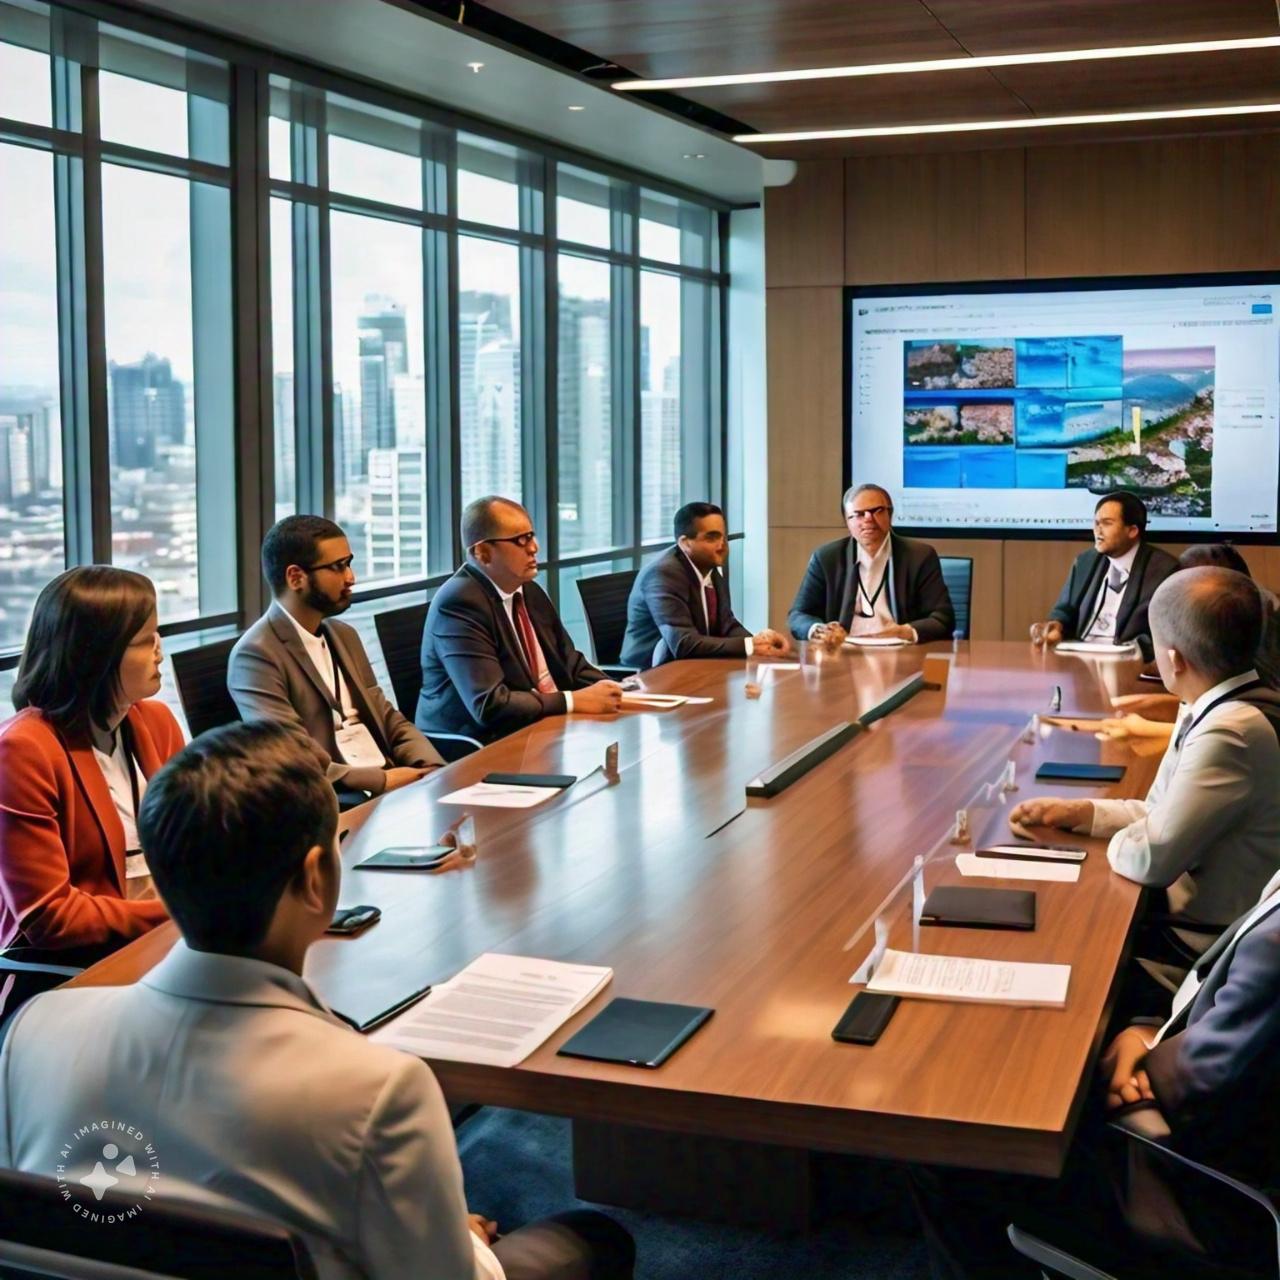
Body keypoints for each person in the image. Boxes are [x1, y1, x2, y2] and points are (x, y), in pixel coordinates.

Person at [0, 720, 635, 1280]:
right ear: (315, 877)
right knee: (594, 1237)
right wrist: (468, 1246)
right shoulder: (376, 1086)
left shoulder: (35, 1029)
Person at [908, 865, 1280, 1277]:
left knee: (950, 1145)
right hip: (1213, 1128)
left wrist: (1137, 1066)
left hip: (1191, 1194)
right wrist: (1145, 1032)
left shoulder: (1276, 946)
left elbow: (1200, 1088)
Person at [1012, 567, 1280, 948]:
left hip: (1201, 940)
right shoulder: (1215, 703)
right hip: (1188, 917)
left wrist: (1111, 843)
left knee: (1058, 929)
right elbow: (1160, 815)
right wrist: (1085, 814)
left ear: (1173, 659)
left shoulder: (1230, 731)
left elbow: (1152, 859)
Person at [0, 566, 179, 960]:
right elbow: (50, 915)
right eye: (146, 638)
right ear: (97, 655)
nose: (159, 650)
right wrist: (185, 915)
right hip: (77, 968)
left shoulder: (156, 721)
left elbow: (197, 841)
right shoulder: (23, 751)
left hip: (166, 946)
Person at [229, 515, 442, 802]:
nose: (350, 577)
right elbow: (293, 755)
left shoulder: (344, 635)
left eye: (349, 563)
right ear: (295, 577)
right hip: (329, 799)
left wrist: (429, 765)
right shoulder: (255, 655)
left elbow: (386, 715)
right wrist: (383, 781)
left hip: (384, 779)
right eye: (338, 567)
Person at [416, 496, 622, 743]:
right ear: (482, 552)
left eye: (532, 536)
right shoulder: (459, 604)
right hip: (477, 744)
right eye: (520, 540)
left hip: (537, 727)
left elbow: (570, 664)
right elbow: (489, 705)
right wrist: (572, 701)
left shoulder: (529, 590)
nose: (534, 547)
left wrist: (619, 691)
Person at [1097, 542, 1280, 747]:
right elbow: (1228, 697)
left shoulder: (1264, 639)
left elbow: (1255, 728)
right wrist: (1160, 704)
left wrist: (1150, 731)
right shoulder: (1251, 612)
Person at [620, 502, 791, 669]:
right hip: (651, 673)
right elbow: (683, 644)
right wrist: (749, 645)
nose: (722, 546)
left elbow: (727, 624)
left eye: (724, 537)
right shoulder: (663, 573)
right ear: (685, 543)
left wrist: (761, 642)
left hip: (695, 664)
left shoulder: (708, 566)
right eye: (712, 538)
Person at [787, 484, 954, 645]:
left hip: (900, 651)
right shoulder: (827, 558)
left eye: (877, 511)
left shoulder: (919, 556)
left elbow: (943, 618)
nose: (868, 518)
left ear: (890, 514)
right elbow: (798, 615)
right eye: (858, 514)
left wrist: (904, 631)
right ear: (847, 522)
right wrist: (819, 630)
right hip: (843, 653)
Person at [1030, 491, 1178, 660]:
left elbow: (1165, 633)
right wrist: (1056, 626)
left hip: (1127, 663)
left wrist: (1135, 651)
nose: (1098, 530)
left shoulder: (1164, 570)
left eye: (1107, 523)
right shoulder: (1085, 561)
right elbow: (1064, 610)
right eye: (1096, 523)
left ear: (1132, 530)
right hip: (1078, 659)